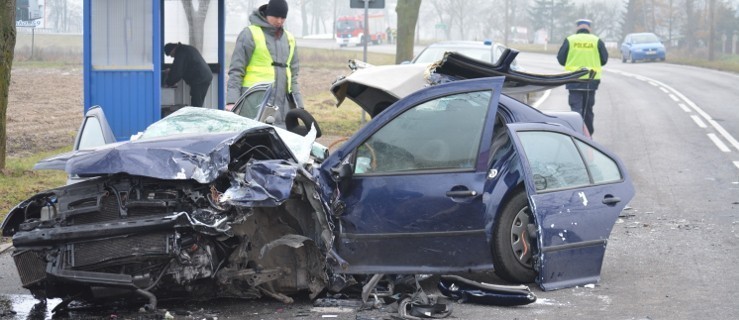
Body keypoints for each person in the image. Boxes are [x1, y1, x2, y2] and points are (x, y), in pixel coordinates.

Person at [226, 0, 304, 124]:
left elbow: (293, 76)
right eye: (276, 17)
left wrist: (299, 106)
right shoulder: (249, 34)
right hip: (254, 103)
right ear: (267, 13)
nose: (279, 21)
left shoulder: (290, 39)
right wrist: (232, 101)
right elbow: (236, 70)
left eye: (283, 17)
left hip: (283, 106)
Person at [557, 19, 608, 135]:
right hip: (591, 80)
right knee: (588, 110)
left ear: (577, 28)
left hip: (573, 79)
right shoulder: (596, 41)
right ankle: (588, 136)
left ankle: (577, 134)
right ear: (589, 28)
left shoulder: (570, 40)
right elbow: (604, 60)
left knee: (576, 110)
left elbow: (560, 59)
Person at [163, 42, 212, 108]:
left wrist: (168, 83)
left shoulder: (181, 53)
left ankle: (195, 117)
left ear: (172, 50)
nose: (172, 56)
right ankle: (195, 116)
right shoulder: (185, 49)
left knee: (196, 104)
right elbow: (179, 67)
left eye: (171, 55)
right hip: (203, 76)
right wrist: (171, 71)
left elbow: (177, 72)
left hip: (200, 78)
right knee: (197, 102)